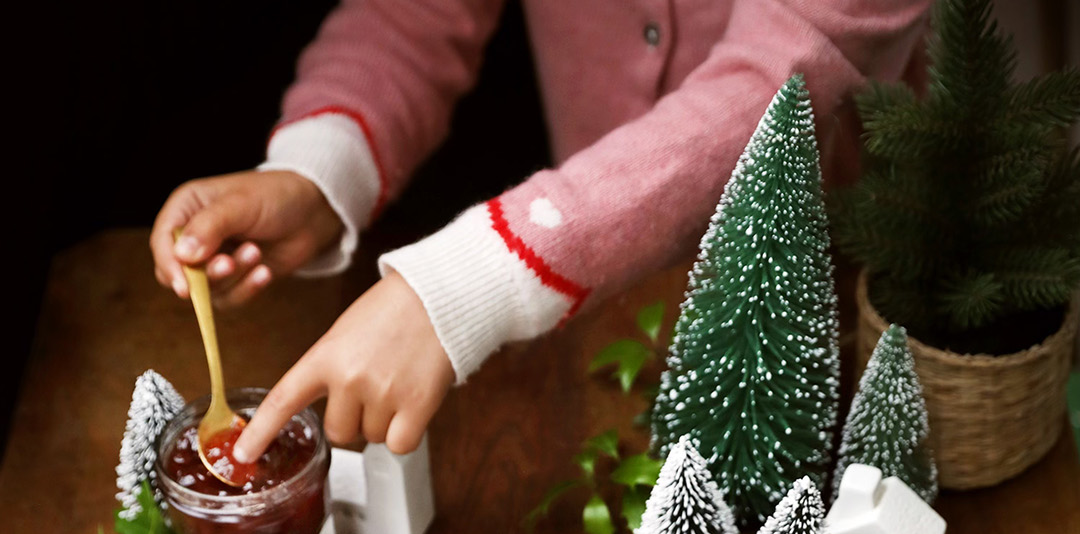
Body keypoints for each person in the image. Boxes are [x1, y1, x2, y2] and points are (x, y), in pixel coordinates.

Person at [150, 0, 930, 464]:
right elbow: (417, 14)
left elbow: (795, 63)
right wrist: (316, 175)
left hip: (859, 299)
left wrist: (458, 287)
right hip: (589, 320)